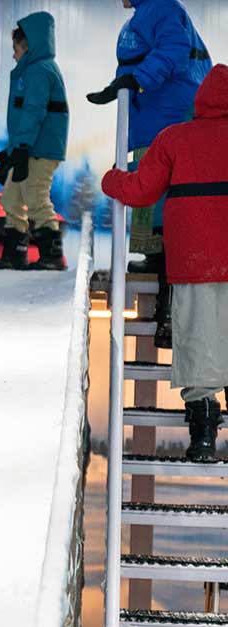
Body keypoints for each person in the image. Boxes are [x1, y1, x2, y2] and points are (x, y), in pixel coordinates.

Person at [101, 64, 228, 463]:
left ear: (200, 101)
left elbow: (140, 190)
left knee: (197, 339)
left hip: (193, 259)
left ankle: (203, 436)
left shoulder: (174, 138)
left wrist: (111, 180)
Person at [87, 0, 212, 345]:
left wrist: (137, 80)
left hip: (167, 119)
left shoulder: (161, 7)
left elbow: (174, 48)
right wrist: (123, 85)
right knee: (153, 205)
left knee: (162, 204)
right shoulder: (147, 12)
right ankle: (154, 258)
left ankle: (166, 305)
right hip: (154, 121)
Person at [0, 12, 69, 270]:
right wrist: (12, 150)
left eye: (16, 49)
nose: (14, 56)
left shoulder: (40, 71)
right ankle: (15, 253)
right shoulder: (31, 71)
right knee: (11, 198)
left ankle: (52, 255)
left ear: (29, 47)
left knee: (35, 196)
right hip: (27, 148)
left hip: (39, 150)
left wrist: (21, 148)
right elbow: (26, 116)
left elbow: (34, 111)